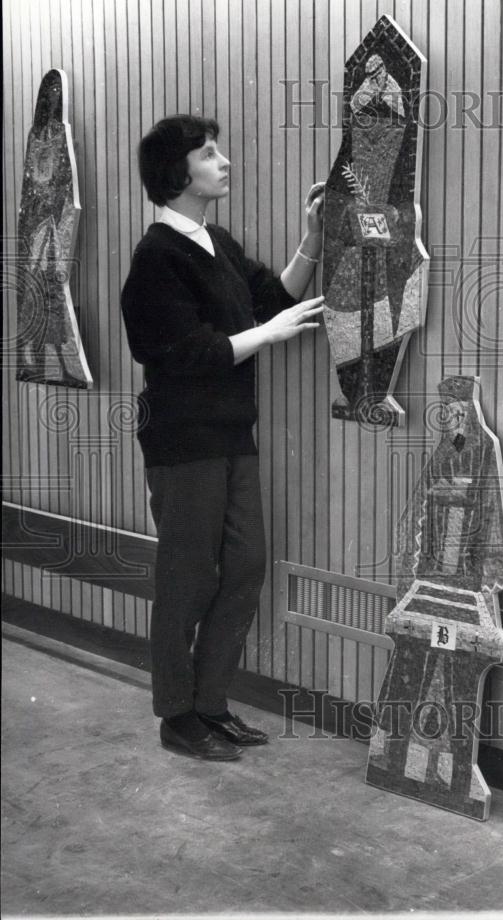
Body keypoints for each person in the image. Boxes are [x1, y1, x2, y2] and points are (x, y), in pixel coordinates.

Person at [121, 114, 324, 761]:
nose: (224, 161)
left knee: (246, 566)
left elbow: (273, 297)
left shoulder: (218, 243)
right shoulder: (156, 256)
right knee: (187, 576)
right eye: (210, 155)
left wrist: (313, 240)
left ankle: (211, 703)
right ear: (179, 174)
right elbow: (193, 353)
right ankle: (176, 715)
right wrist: (274, 331)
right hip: (182, 441)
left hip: (233, 434)